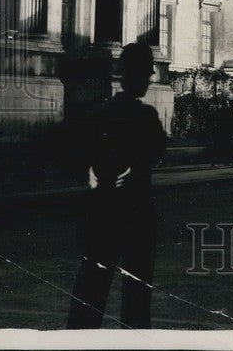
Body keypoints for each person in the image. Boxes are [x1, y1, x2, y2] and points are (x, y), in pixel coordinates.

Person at [67, 42, 167, 329]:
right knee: (137, 294)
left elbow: (82, 153)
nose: (149, 79)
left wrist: (94, 173)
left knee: (91, 289)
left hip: (102, 207)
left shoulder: (101, 113)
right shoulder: (146, 117)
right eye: (146, 74)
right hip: (137, 210)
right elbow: (155, 153)